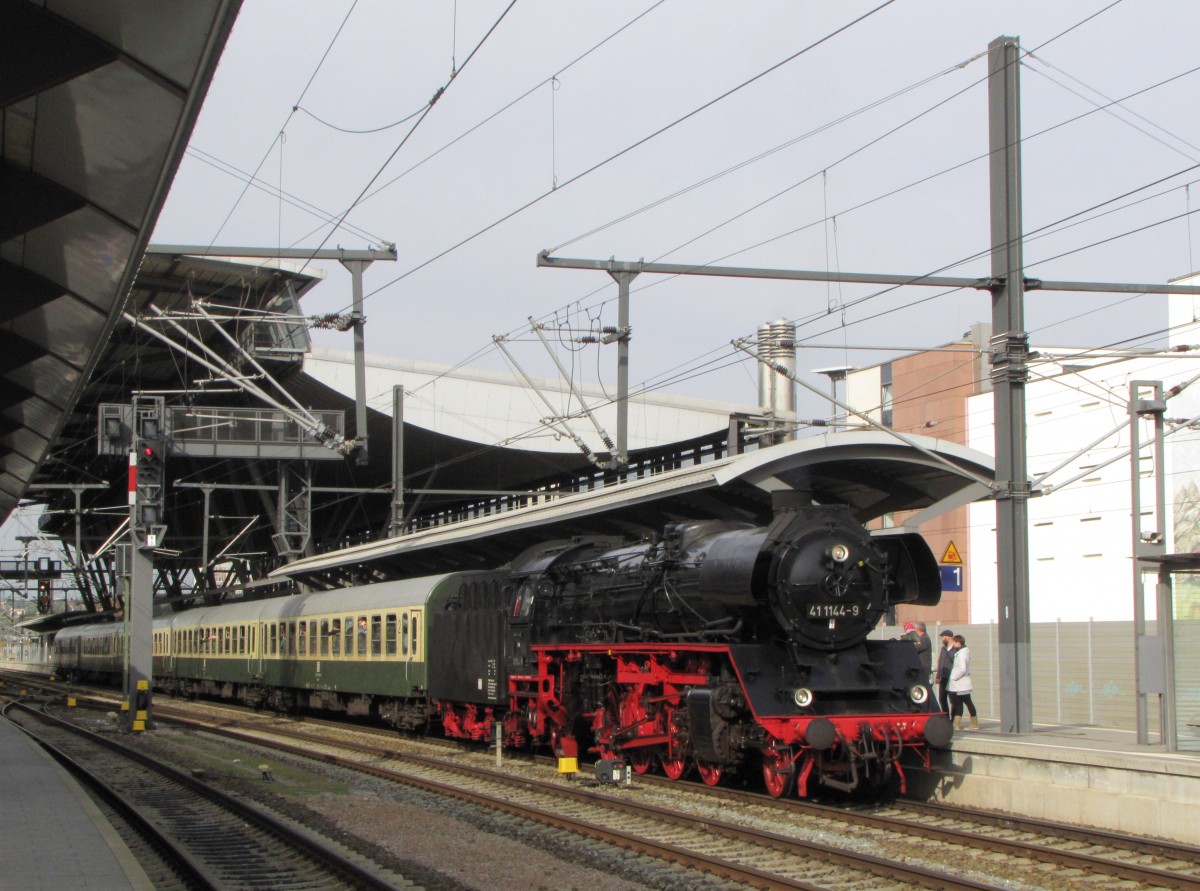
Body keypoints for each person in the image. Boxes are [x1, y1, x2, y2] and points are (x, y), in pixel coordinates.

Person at [948, 633, 979, 730]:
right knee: (963, 703)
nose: (953, 645)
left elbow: (962, 668)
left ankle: (971, 724)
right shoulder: (963, 652)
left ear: (958, 643)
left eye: (954, 643)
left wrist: (954, 677)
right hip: (961, 684)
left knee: (963, 703)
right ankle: (958, 724)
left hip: (961, 684)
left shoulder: (962, 654)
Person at [935, 629, 955, 714]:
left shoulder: (955, 648)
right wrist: (938, 676)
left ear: (947, 637)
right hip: (943, 677)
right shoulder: (943, 648)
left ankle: (954, 717)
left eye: (942, 637)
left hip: (952, 677)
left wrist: (949, 651)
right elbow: (940, 662)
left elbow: (954, 660)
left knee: (953, 699)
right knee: (942, 698)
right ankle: (946, 716)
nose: (941, 639)